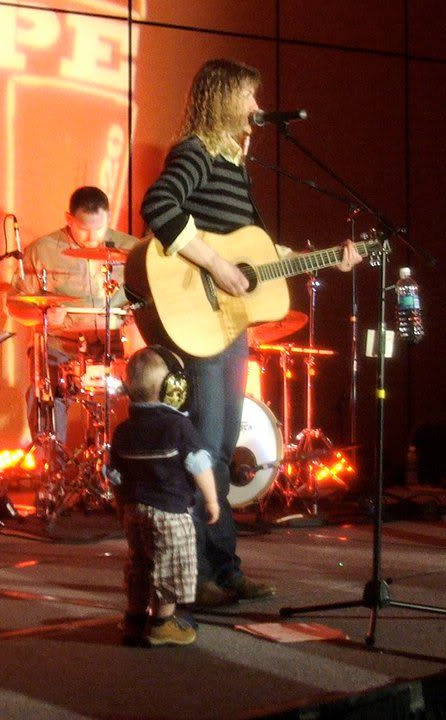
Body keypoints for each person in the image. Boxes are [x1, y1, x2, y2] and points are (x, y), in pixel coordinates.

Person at [140, 58, 362, 608]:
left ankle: (223, 569)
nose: (258, 109)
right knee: (205, 448)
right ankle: (194, 576)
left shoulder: (235, 166)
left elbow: (253, 252)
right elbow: (158, 207)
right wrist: (217, 265)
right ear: (222, 98)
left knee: (219, 450)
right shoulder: (194, 151)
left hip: (227, 324)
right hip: (197, 319)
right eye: (248, 97)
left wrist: (329, 257)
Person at [8, 186, 138, 443]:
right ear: (69, 219)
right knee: (43, 391)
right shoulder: (43, 250)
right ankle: (51, 458)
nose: (92, 237)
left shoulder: (131, 249)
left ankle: (134, 456)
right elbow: (15, 303)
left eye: (99, 228)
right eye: (84, 229)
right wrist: (43, 317)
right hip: (63, 344)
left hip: (117, 344)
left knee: (152, 379)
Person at [109, 346, 219, 646]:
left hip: (134, 511)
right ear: (173, 388)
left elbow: (115, 476)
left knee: (140, 565)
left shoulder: (122, 430)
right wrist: (211, 500)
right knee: (171, 567)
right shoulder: (178, 426)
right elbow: (198, 464)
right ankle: (161, 624)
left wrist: (121, 506)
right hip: (170, 512)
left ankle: (134, 620)